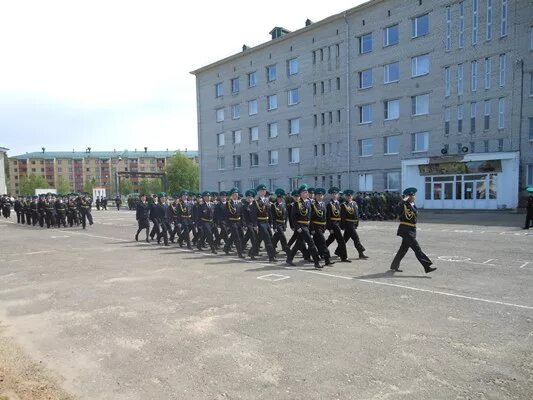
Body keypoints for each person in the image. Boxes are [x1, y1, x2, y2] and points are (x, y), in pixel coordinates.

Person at [390, 187, 436, 273]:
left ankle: (394, 265)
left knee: (403, 249)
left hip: (411, 229)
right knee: (417, 249)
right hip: (406, 230)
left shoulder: (413, 205)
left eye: (414, 195)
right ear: (408, 196)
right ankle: (427, 266)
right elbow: (396, 210)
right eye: (413, 195)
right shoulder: (404, 204)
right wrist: (403, 200)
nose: (414, 197)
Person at [286, 184, 322, 269]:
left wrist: (311, 228)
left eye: (306, 192)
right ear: (300, 194)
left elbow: (310, 217)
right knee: (311, 244)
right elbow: (293, 217)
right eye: (304, 192)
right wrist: (297, 227)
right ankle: (316, 263)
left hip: (307, 225)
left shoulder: (309, 202)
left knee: (298, 244)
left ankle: (289, 259)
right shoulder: (297, 204)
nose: (306, 193)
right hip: (301, 227)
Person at [248, 184, 277, 262]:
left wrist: (271, 223)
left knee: (258, 240)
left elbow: (269, 213)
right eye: (261, 190)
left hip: (266, 222)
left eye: (264, 190)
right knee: (268, 240)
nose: (263, 192)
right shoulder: (255, 202)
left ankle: (251, 253)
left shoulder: (267, 201)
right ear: (258, 192)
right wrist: (255, 225)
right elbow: (253, 214)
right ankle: (271, 257)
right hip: (260, 223)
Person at [325, 187, 350, 262]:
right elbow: (328, 217)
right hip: (333, 225)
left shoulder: (339, 203)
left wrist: (342, 225)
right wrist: (330, 228)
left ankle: (321, 251)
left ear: (338, 195)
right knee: (341, 241)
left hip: (338, 224)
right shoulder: (329, 204)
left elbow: (341, 216)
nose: (334, 195)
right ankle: (344, 257)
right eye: (333, 194)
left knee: (330, 239)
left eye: (335, 194)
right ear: (331, 195)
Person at [311, 188, 334, 266]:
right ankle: (327, 260)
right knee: (323, 243)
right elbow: (310, 218)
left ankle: (309, 255)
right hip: (316, 227)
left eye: (321, 195)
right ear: (315, 196)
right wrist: (312, 229)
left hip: (322, 226)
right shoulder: (313, 205)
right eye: (318, 195)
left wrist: (326, 226)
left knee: (316, 243)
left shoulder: (323, 204)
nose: (320, 197)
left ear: (323, 196)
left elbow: (325, 216)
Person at [223, 187, 245, 258]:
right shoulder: (228, 203)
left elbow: (242, 214)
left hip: (238, 222)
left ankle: (226, 248)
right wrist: (227, 224)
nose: (236, 196)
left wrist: (243, 223)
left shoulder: (240, 203)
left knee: (234, 236)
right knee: (237, 238)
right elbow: (226, 214)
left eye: (236, 194)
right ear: (231, 195)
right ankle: (240, 253)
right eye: (234, 194)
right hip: (232, 222)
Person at [271, 189, 289, 254]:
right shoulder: (274, 205)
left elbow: (286, 215)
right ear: (277, 198)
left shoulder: (284, 204)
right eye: (279, 197)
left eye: (281, 197)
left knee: (276, 237)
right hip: (277, 223)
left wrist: (285, 224)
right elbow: (273, 217)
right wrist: (275, 227)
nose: (280, 199)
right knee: (283, 237)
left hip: (282, 223)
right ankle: (286, 249)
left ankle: (271, 248)